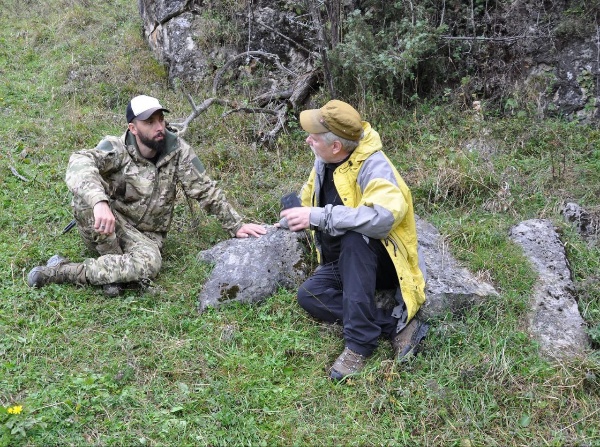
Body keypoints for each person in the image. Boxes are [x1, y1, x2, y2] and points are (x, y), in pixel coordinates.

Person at [28, 95, 266, 295]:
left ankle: (63, 271)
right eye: (149, 122)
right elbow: (79, 161)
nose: (159, 126)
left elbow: (205, 189)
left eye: (160, 119)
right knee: (85, 197)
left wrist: (235, 225)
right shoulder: (117, 148)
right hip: (107, 226)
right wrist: (99, 202)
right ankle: (113, 270)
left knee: (150, 263)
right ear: (133, 127)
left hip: (147, 237)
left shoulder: (178, 151)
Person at [278, 99, 428, 381]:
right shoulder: (324, 160)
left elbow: (382, 219)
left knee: (356, 237)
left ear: (336, 146)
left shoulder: (374, 166)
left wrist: (320, 217)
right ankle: (396, 327)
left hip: (380, 261)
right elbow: (310, 197)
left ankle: (359, 344)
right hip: (342, 262)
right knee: (309, 295)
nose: (308, 139)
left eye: (314, 136)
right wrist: (291, 219)